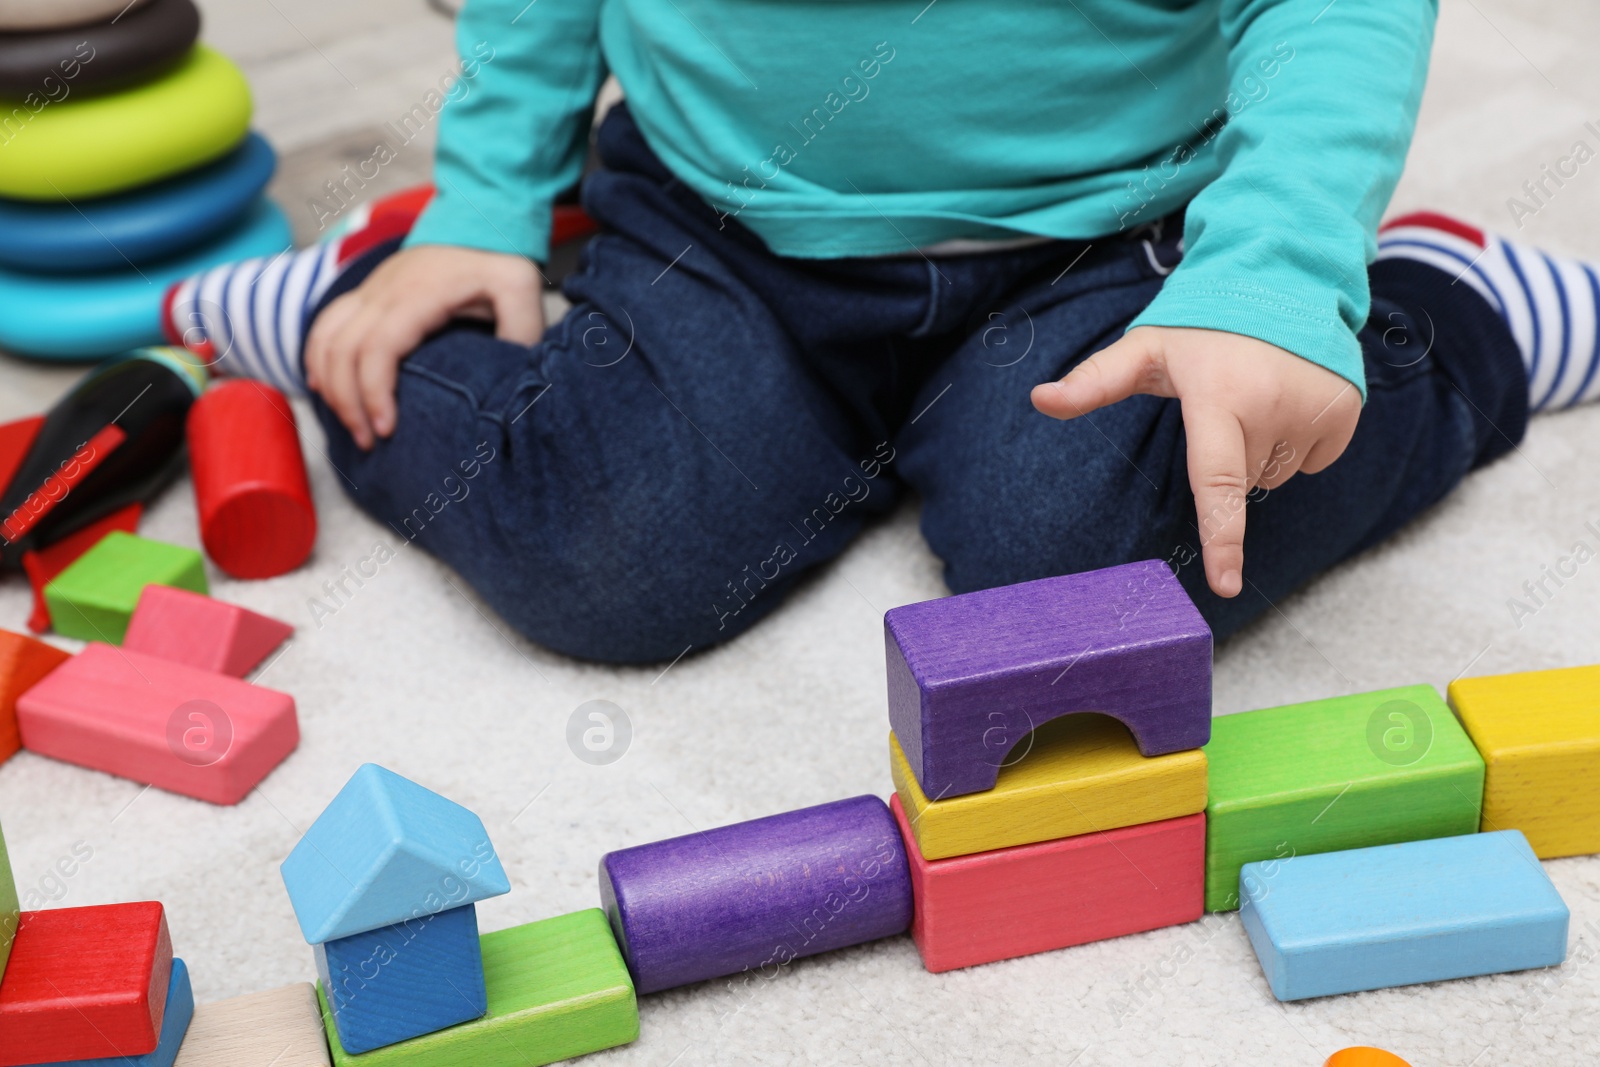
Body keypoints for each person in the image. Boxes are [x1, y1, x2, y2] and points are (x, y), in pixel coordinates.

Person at [167, 0, 1597, 663]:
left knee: (1083, 584)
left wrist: (1277, 281)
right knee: (612, 563)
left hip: (1119, 236)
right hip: (725, 224)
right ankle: (387, 286)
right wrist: (486, 201)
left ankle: (1454, 320)